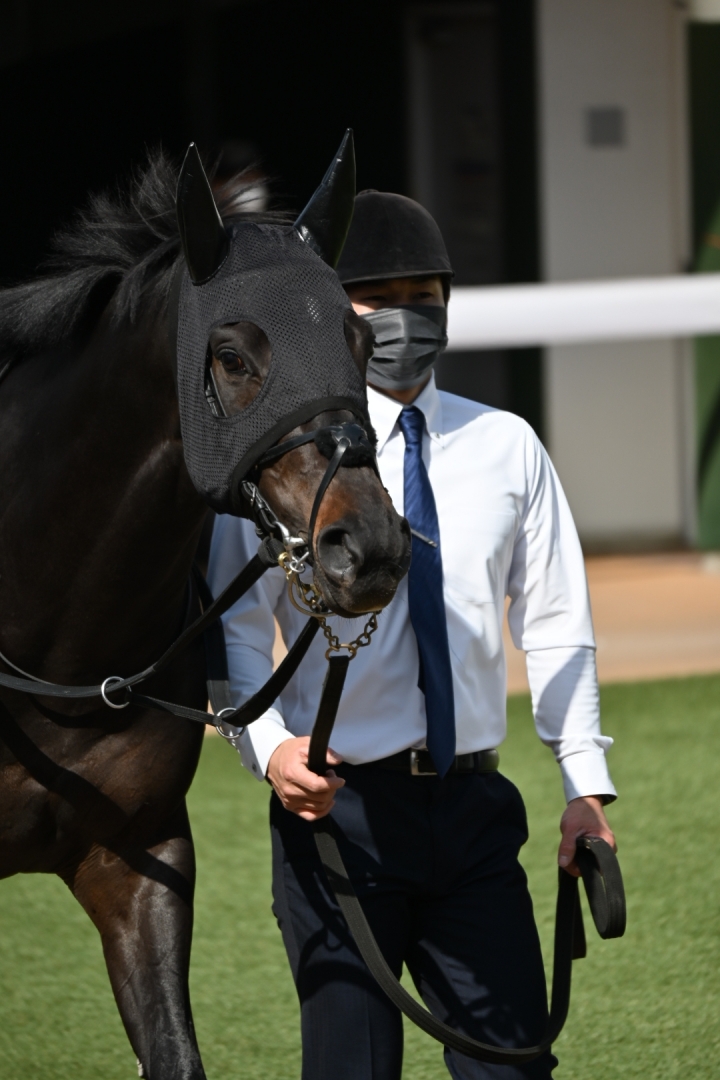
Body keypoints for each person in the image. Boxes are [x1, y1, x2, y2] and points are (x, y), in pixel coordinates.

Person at [208, 190, 617, 1080]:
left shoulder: (508, 444)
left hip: (473, 818)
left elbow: (555, 625)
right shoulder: (277, 459)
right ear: (332, 315)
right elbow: (235, 635)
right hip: (338, 821)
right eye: (377, 295)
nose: (406, 315)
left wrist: (586, 787)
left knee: (514, 1071)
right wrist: (269, 750)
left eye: (424, 293)